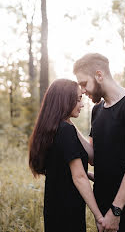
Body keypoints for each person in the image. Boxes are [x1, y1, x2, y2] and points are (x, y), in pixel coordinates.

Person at [73, 53, 125, 232]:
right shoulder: (97, 111)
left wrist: (116, 211)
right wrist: (69, 125)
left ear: (99, 75)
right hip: (104, 207)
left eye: (83, 83)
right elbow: (94, 158)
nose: (82, 90)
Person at [28, 79, 105, 232]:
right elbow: (79, 177)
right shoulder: (65, 131)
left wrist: (70, 122)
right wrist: (99, 217)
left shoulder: (57, 128)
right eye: (78, 100)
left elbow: (91, 157)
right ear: (65, 101)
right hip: (67, 209)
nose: (82, 104)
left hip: (54, 206)